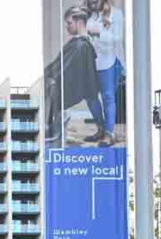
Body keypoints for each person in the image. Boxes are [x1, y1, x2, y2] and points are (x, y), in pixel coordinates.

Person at [44, 6, 107, 147]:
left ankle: (102, 130)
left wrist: (52, 75)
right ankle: (101, 130)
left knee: (90, 96)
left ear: (79, 22)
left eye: (69, 23)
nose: (67, 27)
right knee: (91, 96)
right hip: (85, 72)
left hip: (86, 70)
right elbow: (62, 62)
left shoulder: (81, 45)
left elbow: (65, 64)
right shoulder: (79, 43)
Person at [86, 0, 126, 145]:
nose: (92, 3)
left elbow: (117, 38)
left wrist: (99, 32)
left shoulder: (116, 14)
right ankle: (101, 128)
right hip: (92, 61)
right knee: (90, 96)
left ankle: (109, 134)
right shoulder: (90, 14)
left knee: (108, 97)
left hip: (109, 60)